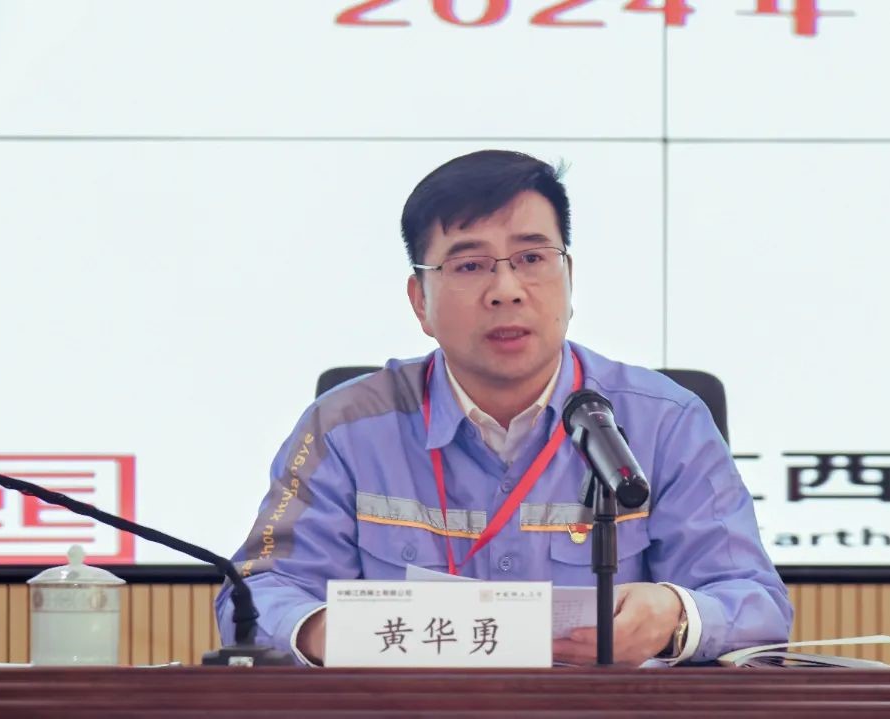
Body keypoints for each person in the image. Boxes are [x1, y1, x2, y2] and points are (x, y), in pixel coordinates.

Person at [216, 150, 792, 666]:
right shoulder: (345, 428)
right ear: (420, 301)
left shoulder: (665, 422)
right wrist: (334, 631)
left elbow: (755, 602)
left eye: (532, 258)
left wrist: (675, 615)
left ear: (569, 277)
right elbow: (257, 595)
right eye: (470, 265)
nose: (507, 290)